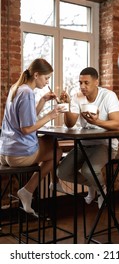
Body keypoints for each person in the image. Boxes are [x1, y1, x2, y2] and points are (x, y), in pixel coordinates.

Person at [0, 58, 63, 214]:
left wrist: (42, 100)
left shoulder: (17, 88)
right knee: (58, 152)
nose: (47, 81)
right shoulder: (27, 93)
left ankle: (53, 183)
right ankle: (28, 189)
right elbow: (27, 129)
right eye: (46, 77)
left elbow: (27, 118)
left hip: (5, 152)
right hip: (19, 155)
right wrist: (50, 115)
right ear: (36, 75)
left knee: (50, 142)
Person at [57, 67, 119, 208]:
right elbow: (70, 124)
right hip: (83, 145)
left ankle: (101, 191)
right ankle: (96, 186)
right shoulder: (77, 97)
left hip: (105, 144)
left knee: (88, 170)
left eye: (86, 83)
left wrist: (97, 122)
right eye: (80, 82)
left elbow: (118, 124)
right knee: (62, 172)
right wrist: (67, 106)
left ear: (96, 82)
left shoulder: (108, 96)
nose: (82, 86)